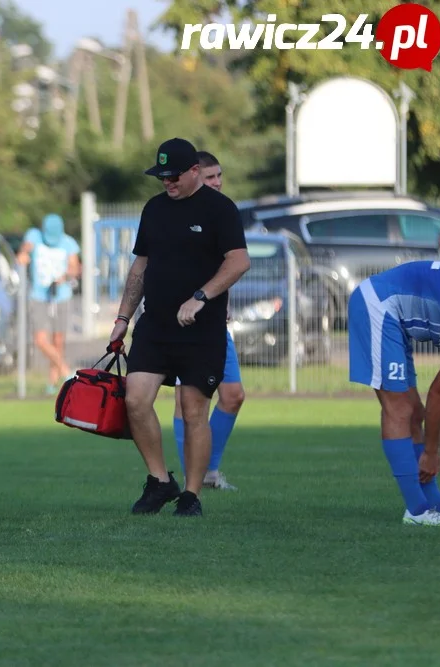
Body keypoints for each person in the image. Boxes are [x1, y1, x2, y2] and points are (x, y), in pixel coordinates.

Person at [109, 137, 250, 517]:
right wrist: (122, 318)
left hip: (201, 330)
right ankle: (159, 480)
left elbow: (238, 262)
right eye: (162, 176)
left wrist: (201, 297)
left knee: (192, 411)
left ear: (193, 172)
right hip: (154, 324)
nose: (167, 183)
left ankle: (191, 495)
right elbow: (140, 268)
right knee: (135, 399)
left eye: (174, 176)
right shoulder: (154, 209)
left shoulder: (221, 209)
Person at [348, 260, 440, 526]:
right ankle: (416, 511)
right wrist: (431, 451)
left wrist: (434, 448)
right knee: (401, 408)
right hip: (377, 305)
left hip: (394, 314)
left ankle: (435, 505)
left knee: (415, 413)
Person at [171, 151, 245, 491]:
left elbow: (229, 265)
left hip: (215, 322)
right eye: (210, 176)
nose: (216, 182)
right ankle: (194, 478)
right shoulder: (177, 213)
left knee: (233, 395)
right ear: (196, 175)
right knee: (186, 398)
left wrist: (217, 300)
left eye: (219, 176)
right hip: (180, 321)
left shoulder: (224, 213)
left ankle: (209, 472)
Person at [16, 214, 81, 394]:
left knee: (58, 341)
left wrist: (65, 276)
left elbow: (75, 267)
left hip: (61, 296)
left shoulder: (68, 243)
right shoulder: (34, 236)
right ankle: (67, 371)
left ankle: (52, 384)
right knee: (40, 340)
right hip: (39, 296)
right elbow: (25, 250)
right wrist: (23, 254)